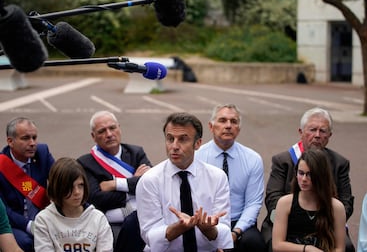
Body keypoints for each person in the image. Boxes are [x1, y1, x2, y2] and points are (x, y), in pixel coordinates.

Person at [136, 112, 233, 251]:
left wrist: (208, 229)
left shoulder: (217, 177)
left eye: (182, 139)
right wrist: (179, 227)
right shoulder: (150, 180)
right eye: (170, 139)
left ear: (198, 144)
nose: (174, 146)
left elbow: (223, 230)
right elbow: (149, 235)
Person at [262, 107, 355, 252]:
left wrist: (327, 220)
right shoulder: (283, 160)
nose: (317, 135)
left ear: (330, 135)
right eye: (312, 130)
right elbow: (273, 197)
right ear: (301, 132)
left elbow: (346, 201)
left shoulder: (339, 163)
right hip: (287, 222)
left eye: (323, 131)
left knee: (347, 247)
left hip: (325, 223)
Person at [77, 110, 152, 252]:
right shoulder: (85, 163)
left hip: (141, 217)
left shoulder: (136, 153)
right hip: (109, 222)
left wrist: (115, 184)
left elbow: (150, 184)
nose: (109, 134)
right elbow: (95, 198)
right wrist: (133, 185)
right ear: (93, 136)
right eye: (102, 131)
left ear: (119, 128)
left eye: (112, 128)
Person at [195, 103, 266, 252]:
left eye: (233, 122)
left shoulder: (252, 159)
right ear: (211, 126)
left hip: (239, 223)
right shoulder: (197, 157)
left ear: (238, 129)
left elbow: (253, 203)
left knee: (254, 243)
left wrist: (235, 233)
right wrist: (209, 229)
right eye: (222, 120)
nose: (228, 126)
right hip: (206, 221)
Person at [272, 149, 346, 252]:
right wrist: (307, 249)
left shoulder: (336, 207)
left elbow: (340, 248)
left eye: (310, 174)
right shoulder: (285, 203)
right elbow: (277, 245)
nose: (304, 179)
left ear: (321, 176)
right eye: (301, 173)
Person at [34, 157, 113, 251]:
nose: (77, 192)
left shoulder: (98, 218)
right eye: (70, 187)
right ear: (57, 188)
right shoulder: (44, 220)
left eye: (80, 185)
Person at [0, 117, 55, 252]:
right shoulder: (1, 166)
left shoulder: (42, 153)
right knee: (27, 242)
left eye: (34, 137)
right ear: (10, 141)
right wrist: (30, 226)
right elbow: (4, 211)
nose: (32, 143)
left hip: (43, 219)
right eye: (25, 138)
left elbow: (61, 181)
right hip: (14, 224)